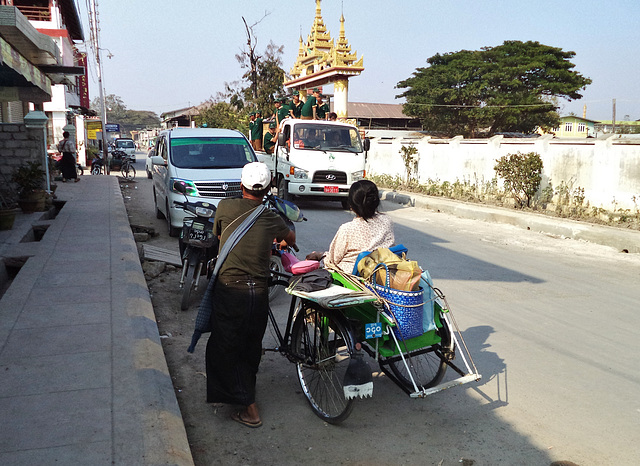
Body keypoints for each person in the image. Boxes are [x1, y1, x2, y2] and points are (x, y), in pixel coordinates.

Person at [206, 162, 296, 428]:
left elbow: (219, 235)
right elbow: (290, 238)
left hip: (229, 289)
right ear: (268, 188)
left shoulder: (224, 207)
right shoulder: (270, 216)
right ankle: (242, 395)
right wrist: (277, 240)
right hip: (257, 293)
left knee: (224, 347)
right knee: (248, 348)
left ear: (241, 184)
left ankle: (250, 408)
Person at [307, 180, 394, 273]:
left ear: (352, 205)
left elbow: (332, 261)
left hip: (353, 277)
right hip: (382, 271)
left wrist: (319, 256)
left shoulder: (347, 229)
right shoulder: (387, 221)